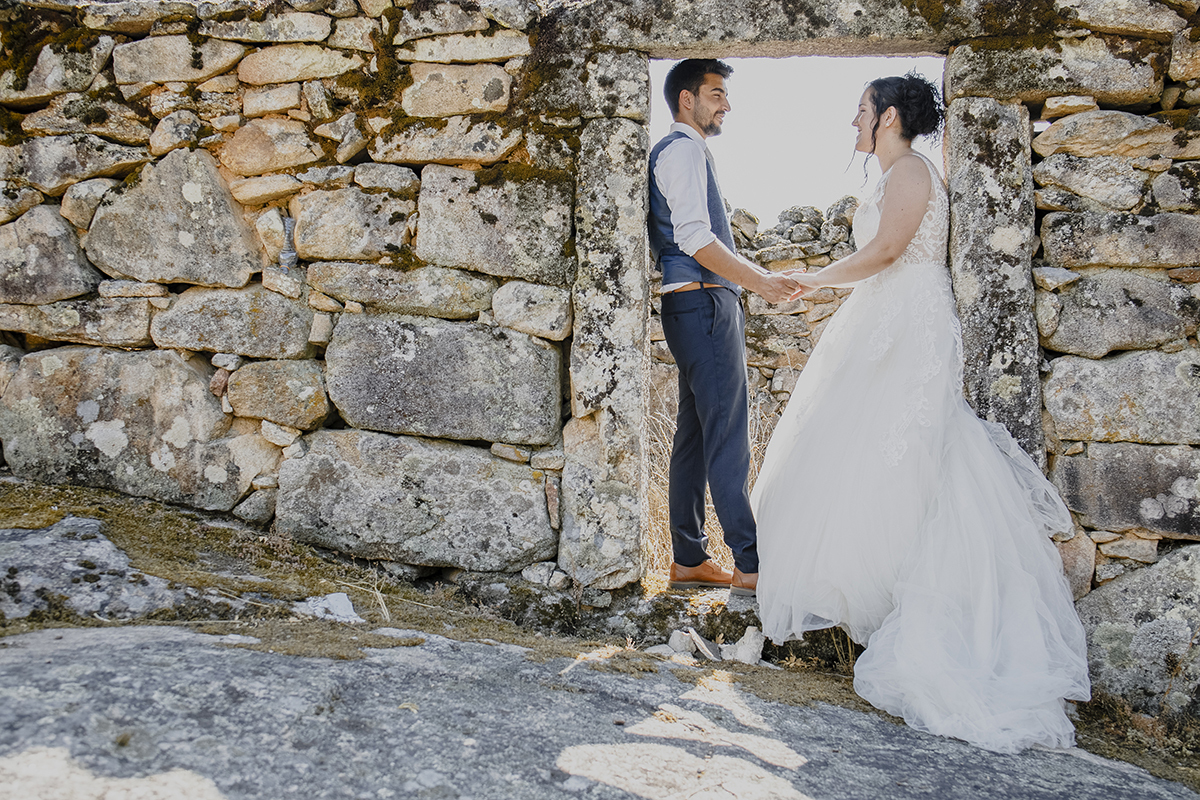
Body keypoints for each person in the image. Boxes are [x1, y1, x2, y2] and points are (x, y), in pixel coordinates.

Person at [751, 74, 1091, 753]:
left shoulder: (910, 170)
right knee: (863, 446)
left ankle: (914, 602)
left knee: (905, 450)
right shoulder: (894, 174)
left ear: (889, 118)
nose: (853, 121)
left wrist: (811, 279)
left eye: (861, 110)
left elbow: (885, 253)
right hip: (885, 314)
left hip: (908, 320)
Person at [649, 59, 799, 596]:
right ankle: (751, 565)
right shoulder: (683, 150)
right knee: (728, 436)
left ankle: (689, 559)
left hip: (691, 306)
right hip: (705, 304)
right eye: (716, 94)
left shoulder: (681, 152)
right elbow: (694, 236)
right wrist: (759, 281)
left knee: (693, 436)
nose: (726, 105)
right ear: (686, 99)